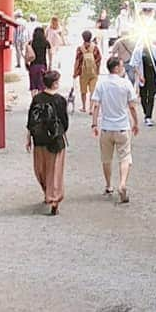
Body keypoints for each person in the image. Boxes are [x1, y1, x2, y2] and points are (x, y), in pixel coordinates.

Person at [91, 56, 140, 203]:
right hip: (122, 127)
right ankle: (123, 183)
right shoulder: (125, 84)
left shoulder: (102, 84)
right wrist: (136, 123)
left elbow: (96, 105)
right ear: (117, 68)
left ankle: (108, 185)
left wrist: (94, 124)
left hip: (106, 127)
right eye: (121, 66)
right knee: (125, 156)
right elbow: (132, 106)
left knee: (106, 158)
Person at [25, 70, 69, 215]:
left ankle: (47, 192)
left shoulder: (37, 99)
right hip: (56, 141)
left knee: (41, 170)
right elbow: (65, 122)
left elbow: (30, 120)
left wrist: (28, 138)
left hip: (39, 140)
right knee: (55, 170)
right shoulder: (60, 100)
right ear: (55, 83)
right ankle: (54, 197)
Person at [128, 38, 156, 127]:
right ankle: (146, 112)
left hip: (153, 76)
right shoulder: (138, 50)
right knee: (143, 96)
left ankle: (148, 116)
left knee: (151, 96)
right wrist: (140, 75)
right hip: (143, 76)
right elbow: (135, 64)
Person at [73, 30, 102, 113]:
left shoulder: (80, 49)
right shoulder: (95, 48)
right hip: (93, 72)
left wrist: (75, 72)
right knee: (92, 90)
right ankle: (91, 108)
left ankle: (84, 107)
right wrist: (97, 70)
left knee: (83, 91)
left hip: (83, 72)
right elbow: (99, 59)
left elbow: (77, 61)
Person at [24, 25, 49, 94]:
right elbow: (50, 55)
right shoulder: (46, 42)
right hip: (42, 65)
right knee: (41, 85)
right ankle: (40, 101)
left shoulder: (30, 43)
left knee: (33, 86)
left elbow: (27, 55)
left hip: (33, 66)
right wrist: (50, 66)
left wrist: (26, 63)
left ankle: (34, 101)